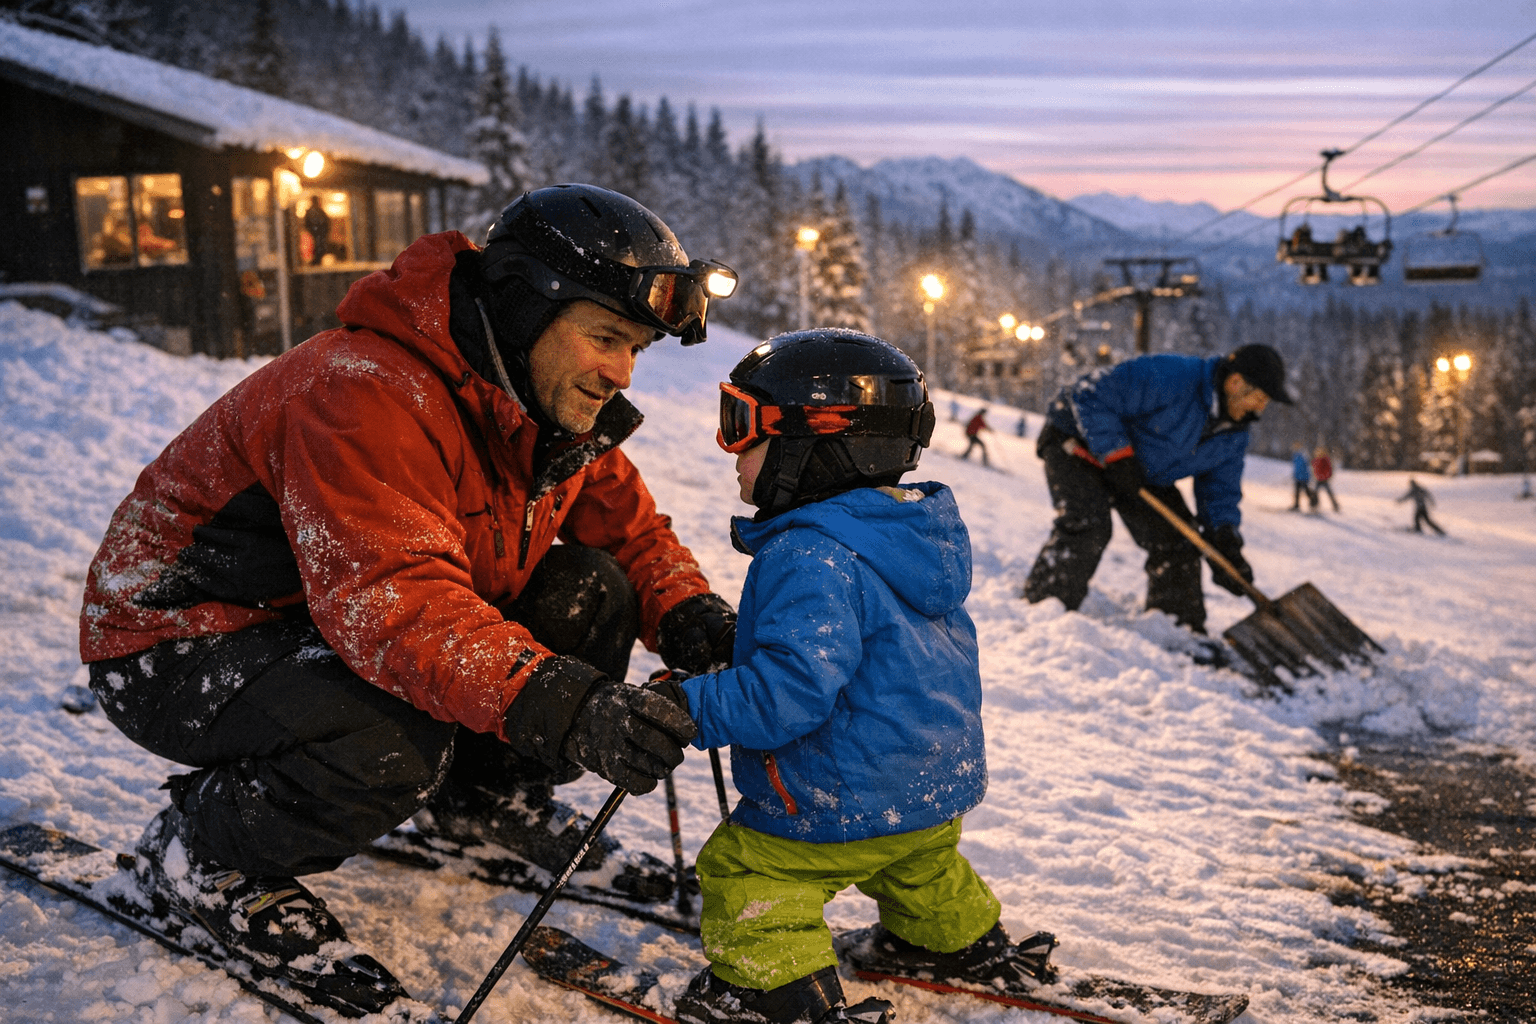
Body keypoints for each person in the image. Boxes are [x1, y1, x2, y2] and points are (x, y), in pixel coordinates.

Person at [79, 184, 741, 1012]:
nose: (620, 371)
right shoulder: (363, 390)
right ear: (524, 308)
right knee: (395, 731)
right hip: (178, 640)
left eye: (636, 347)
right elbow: (394, 604)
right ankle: (209, 854)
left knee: (592, 593)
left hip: (325, 620)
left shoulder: (543, 404)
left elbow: (632, 533)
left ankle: (481, 800)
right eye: (605, 336)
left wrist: (687, 614)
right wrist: (562, 703)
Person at [662, 330, 1056, 1024]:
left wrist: (686, 706)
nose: (732, 452)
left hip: (840, 797)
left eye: (741, 428)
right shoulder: (913, 534)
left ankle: (768, 988)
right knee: (920, 865)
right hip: (931, 792)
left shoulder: (809, 554)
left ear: (817, 442)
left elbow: (787, 696)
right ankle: (948, 940)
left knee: (745, 871)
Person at [1022, 344, 1293, 636]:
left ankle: (1177, 632)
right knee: (1088, 526)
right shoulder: (1172, 376)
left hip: (1137, 469)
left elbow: (1219, 490)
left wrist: (1224, 539)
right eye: (1260, 397)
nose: (1261, 408)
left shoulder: (1234, 433)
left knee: (1178, 540)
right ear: (1235, 382)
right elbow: (1088, 393)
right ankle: (1043, 611)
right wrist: (1116, 452)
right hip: (1076, 442)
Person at [1312, 446, 1340, 512]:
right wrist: (1315, 475)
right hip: (1318, 479)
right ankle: (1314, 505)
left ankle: (1335, 505)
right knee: (1315, 493)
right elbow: (1314, 469)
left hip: (1324, 479)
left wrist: (1327, 476)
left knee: (1329, 492)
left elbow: (1329, 469)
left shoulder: (1325, 459)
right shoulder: (1316, 459)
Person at [1290, 443, 1315, 511]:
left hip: (1303, 477)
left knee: (1306, 491)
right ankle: (1296, 505)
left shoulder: (1303, 455)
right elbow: (1296, 467)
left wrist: (1299, 473)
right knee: (1297, 491)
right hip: (1298, 477)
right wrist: (1295, 474)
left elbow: (1304, 466)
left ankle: (1313, 501)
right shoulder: (1295, 455)